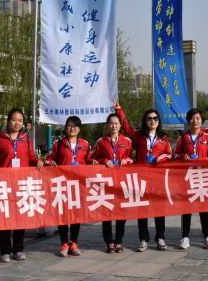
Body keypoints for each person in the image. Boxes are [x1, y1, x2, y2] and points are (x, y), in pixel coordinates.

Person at [0, 108, 43, 262]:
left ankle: (18, 249)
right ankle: (5, 251)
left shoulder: (26, 139)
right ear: (8, 121)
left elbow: (31, 157)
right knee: (4, 216)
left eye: (20, 120)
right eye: (14, 120)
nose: (17, 123)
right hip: (4, 184)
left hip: (21, 183)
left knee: (20, 216)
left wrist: (38, 161)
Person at [115, 104, 173, 252]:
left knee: (159, 209)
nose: (152, 121)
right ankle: (143, 239)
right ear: (145, 121)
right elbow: (126, 127)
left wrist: (160, 158)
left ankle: (160, 238)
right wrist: (119, 110)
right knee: (142, 209)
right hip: (142, 178)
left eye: (155, 118)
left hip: (157, 179)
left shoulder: (163, 138)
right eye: (149, 118)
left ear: (158, 121)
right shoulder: (139, 136)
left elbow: (169, 154)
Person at [44, 116, 91, 257]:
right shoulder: (58, 144)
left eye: (75, 126)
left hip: (78, 185)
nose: (72, 128)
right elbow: (48, 159)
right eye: (69, 125)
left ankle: (74, 243)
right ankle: (64, 243)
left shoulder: (85, 144)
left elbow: (89, 161)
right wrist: (49, 162)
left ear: (79, 129)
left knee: (76, 215)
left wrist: (94, 162)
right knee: (63, 215)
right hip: (63, 185)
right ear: (65, 128)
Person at [174, 108, 208, 250]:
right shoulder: (182, 138)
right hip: (187, 178)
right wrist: (182, 156)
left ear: (202, 120)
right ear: (188, 121)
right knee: (186, 207)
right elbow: (175, 155)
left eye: (197, 118)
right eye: (192, 118)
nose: (195, 121)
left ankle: (207, 237)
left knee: (204, 208)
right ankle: (185, 237)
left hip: (202, 177)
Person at [92, 113, 134, 253]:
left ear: (120, 125)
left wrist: (126, 160)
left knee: (121, 211)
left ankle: (119, 240)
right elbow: (95, 159)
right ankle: (109, 241)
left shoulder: (127, 141)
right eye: (111, 123)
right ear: (107, 125)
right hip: (106, 182)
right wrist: (104, 161)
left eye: (116, 123)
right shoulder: (101, 141)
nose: (113, 126)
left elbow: (132, 159)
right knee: (107, 211)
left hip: (122, 181)